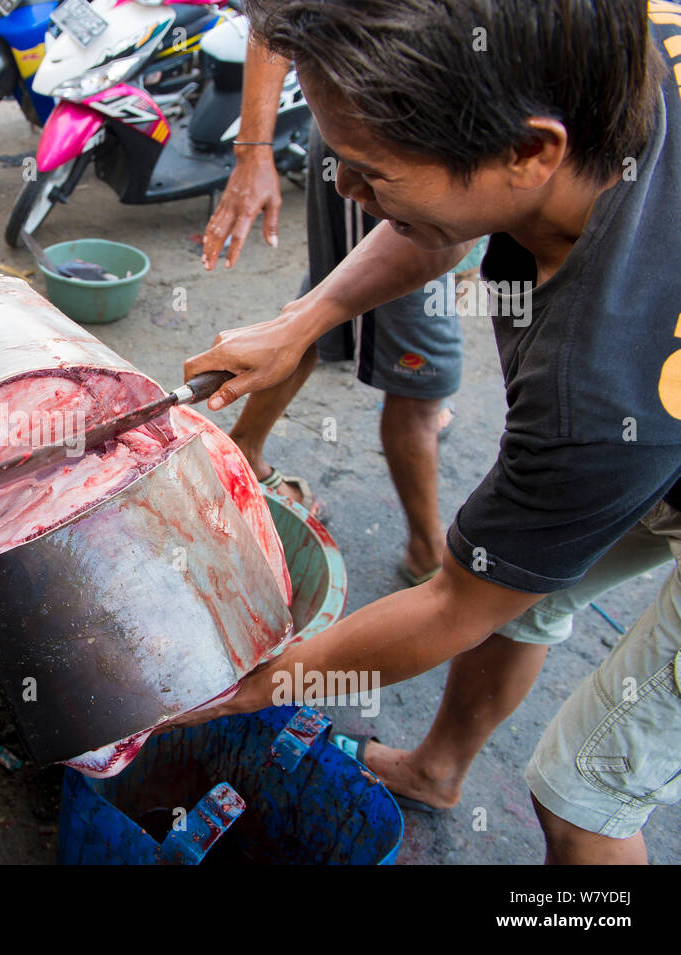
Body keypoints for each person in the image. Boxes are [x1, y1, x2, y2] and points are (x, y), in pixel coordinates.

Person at [183, 0, 681, 864]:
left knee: (584, 795)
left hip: (645, 431)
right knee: (526, 579)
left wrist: (257, 686)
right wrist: (307, 319)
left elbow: (454, 605)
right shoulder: (602, 44)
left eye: (371, 172)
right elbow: (447, 214)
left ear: (530, 152)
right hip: (653, 437)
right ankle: (437, 768)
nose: (344, 190)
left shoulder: (591, 395)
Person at [203, 33, 461, 585]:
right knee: (416, 365)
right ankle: (426, 550)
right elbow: (272, 23)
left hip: (427, 154)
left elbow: (455, 243)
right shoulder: (390, 170)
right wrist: (253, 150)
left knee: (331, 306)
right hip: (402, 141)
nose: (343, 186)